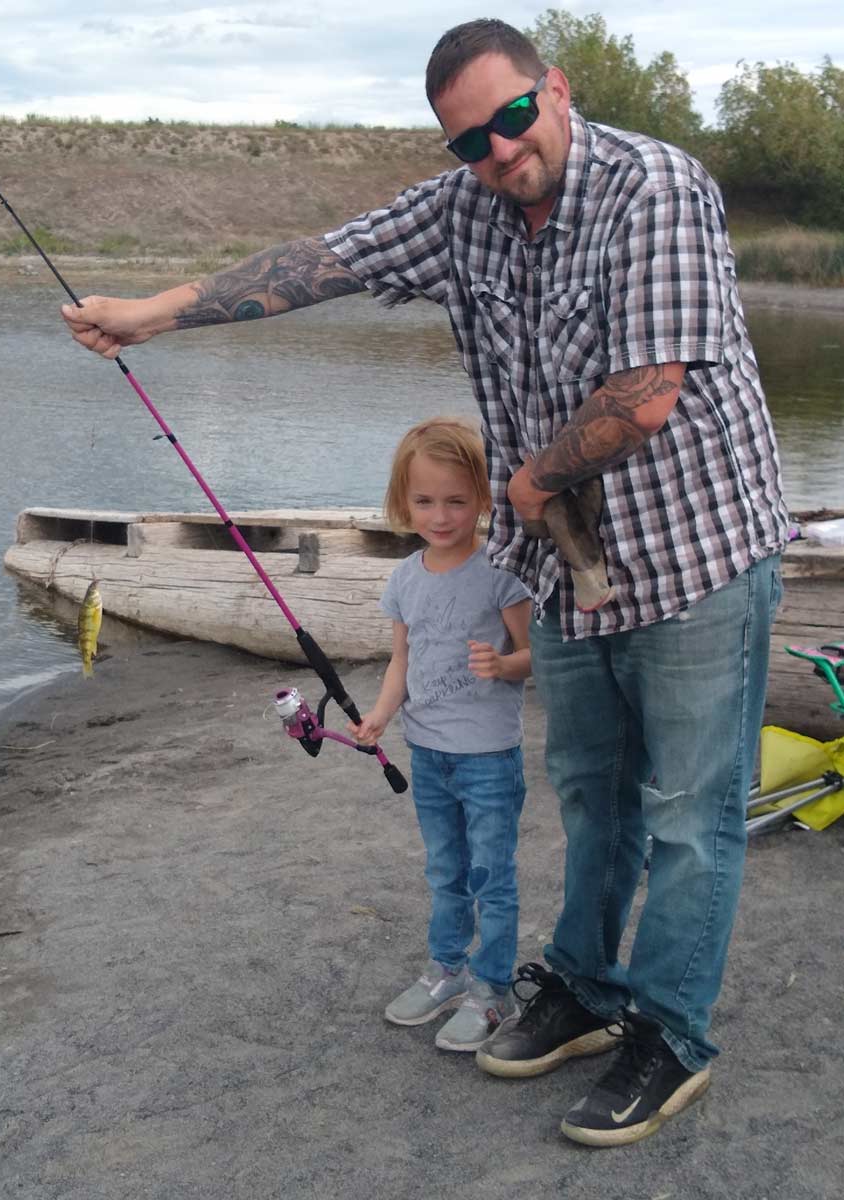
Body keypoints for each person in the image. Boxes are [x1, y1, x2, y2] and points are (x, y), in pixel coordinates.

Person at [62, 18, 788, 1146]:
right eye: (468, 142)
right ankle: (587, 990)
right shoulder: (463, 211)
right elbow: (322, 262)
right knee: (593, 791)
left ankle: (672, 1032)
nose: (499, 153)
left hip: (695, 553)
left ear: (555, 89)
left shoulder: (655, 187)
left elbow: (647, 393)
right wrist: (151, 315)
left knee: (690, 815)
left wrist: (530, 482)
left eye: (511, 118)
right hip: (566, 575)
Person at [347, 416, 532, 1051]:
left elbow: (536, 655)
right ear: (404, 501)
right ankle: (447, 970)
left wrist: (506, 664)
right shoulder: (404, 578)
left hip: (487, 756)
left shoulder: (502, 571)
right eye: (425, 501)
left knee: (491, 875)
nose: (441, 515)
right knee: (445, 869)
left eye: (457, 500)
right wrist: (380, 715)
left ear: (484, 498)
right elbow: (402, 660)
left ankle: (493, 991)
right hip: (427, 752)